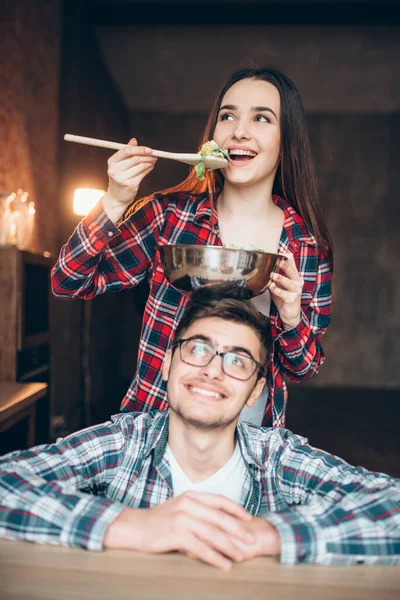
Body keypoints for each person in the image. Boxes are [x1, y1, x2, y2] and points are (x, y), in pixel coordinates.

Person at [0, 293, 399, 570]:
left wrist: (261, 536)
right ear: (169, 362)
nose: (212, 370)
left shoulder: (278, 457)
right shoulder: (124, 442)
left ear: (255, 390)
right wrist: (133, 526)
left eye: (238, 362)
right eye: (198, 349)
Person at [51, 66, 333, 428]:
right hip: (157, 428)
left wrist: (291, 315)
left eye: (261, 118)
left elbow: (303, 368)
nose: (239, 131)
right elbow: (68, 281)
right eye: (227, 116)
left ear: (287, 140)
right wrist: (115, 200)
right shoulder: (169, 216)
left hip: (250, 439)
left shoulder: (307, 247)